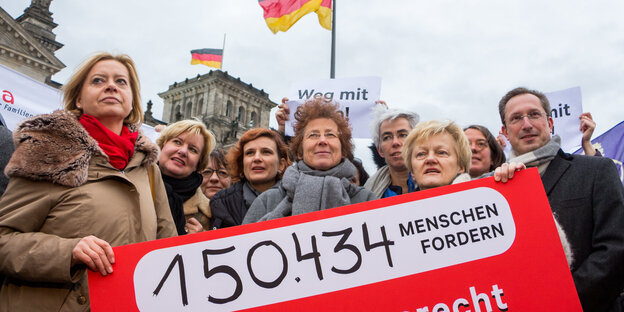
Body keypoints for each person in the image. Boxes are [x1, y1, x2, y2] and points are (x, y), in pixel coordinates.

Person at [0, 52, 177, 311]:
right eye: (97, 80)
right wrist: (67, 252)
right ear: (79, 99)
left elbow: (167, 250)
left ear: (131, 102)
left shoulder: (149, 169)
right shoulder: (49, 151)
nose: (111, 86)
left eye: (121, 81)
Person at [498, 87, 624, 311]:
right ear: (505, 132)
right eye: (516, 118)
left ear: (550, 122)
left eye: (534, 115)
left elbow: (616, 248)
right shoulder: (497, 189)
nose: (526, 124)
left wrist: (560, 298)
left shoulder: (596, 171)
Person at [403, 120, 574, 266]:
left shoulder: (495, 201)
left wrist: (521, 196)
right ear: (412, 171)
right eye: (421, 154)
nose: (430, 159)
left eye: (442, 152)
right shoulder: (399, 224)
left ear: (461, 166)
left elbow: (558, 258)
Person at [243, 98, 376, 223]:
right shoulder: (267, 201)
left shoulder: (368, 201)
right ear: (300, 152)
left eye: (330, 134)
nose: (322, 141)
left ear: (343, 151)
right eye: (313, 135)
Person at [210, 128, 291, 229]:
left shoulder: (295, 198)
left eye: (266, 152)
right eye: (250, 153)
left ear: (281, 164)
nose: (257, 158)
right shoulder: (222, 203)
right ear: (242, 163)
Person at [156, 119, 216, 234]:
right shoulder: (132, 183)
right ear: (162, 145)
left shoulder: (209, 212)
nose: (183, 151)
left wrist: (200, 240)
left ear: (198, 164)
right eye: (177, 142)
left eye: (193, 149)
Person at [364, 104, 420, 198]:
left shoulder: (439, 180)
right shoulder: (367, 193)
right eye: (387, 137)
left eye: (403, 135)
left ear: (416, 141)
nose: (395, 142)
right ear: (380, 150)